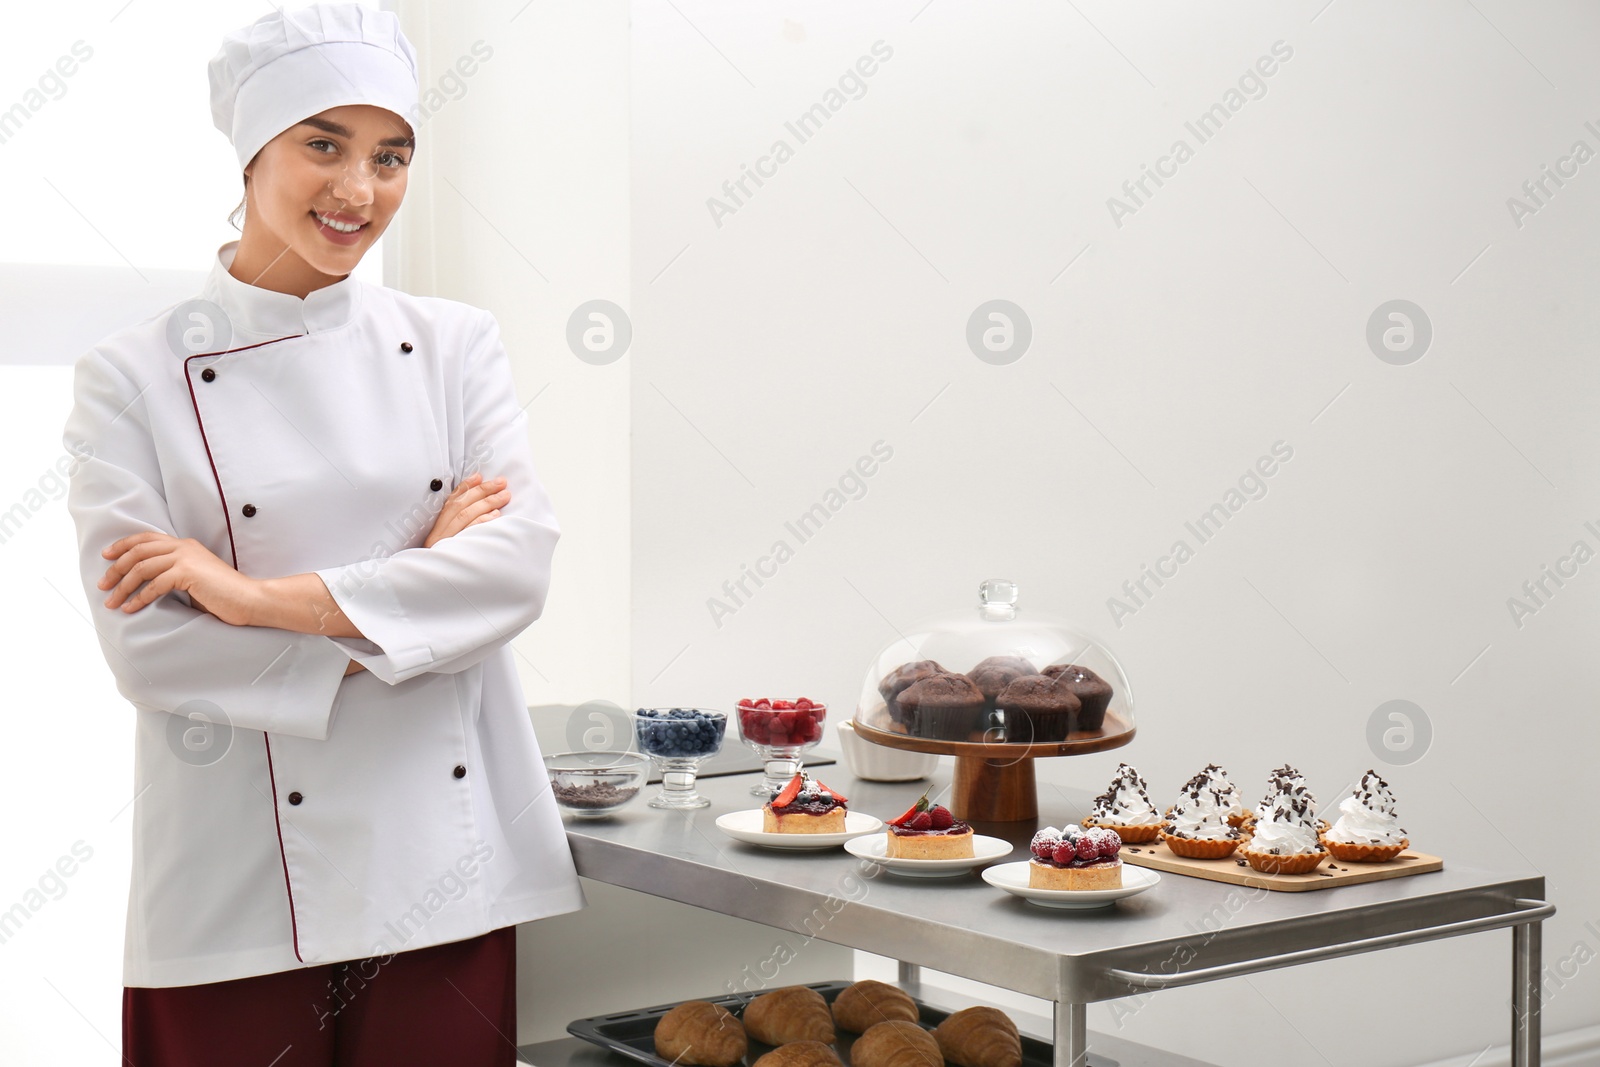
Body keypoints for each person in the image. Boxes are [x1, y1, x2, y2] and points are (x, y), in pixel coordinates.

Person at [59, 5, 586, 1064]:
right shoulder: (131, 375)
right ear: (252, 153)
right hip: (232, 871)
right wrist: (415, 593)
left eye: (391, 155)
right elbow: (153, 645)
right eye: (323, 145)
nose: (361, 190)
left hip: (444, 862)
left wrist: (248, 594)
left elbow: (512, 570)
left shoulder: (452, 346)